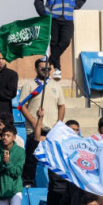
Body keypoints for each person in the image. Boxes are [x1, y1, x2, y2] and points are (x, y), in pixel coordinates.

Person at [34, 0, 89, 77]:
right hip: (52, 17)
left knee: (65, 41)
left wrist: (76, 5)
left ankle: (50, 61)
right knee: (54, 43)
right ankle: (57, 69)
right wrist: (43, 14)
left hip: (68, 17)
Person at [20, 58, 65, 187]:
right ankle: (28, 183)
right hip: (34, 129)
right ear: (36, 69)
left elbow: (61, 106)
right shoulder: (29, 86)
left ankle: (55, 184)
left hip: (52, 129)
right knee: (31, 158)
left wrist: (58, 124)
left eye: (49, 69)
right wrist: (34, 122)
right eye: (43, 68)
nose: (46, 71)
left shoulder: (56, 86)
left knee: (53, 159)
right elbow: (22, 106)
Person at [0, 48, 19, 124]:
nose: (0, 61)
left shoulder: (12, 74)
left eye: (3, 58)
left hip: (4, 110)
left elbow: (11, 93)